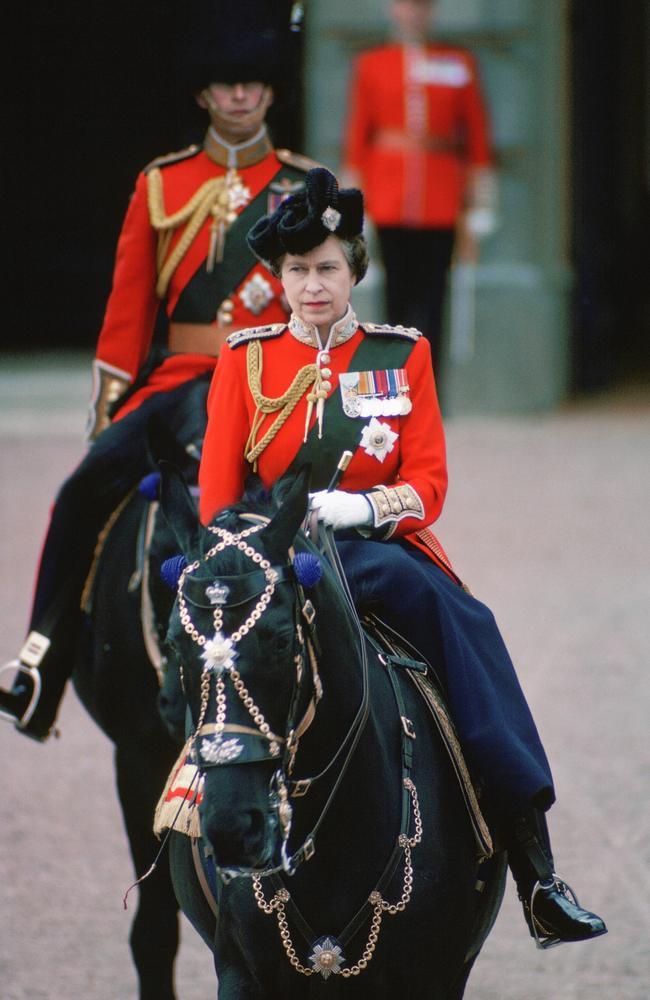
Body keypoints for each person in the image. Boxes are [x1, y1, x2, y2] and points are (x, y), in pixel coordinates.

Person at [197, 166, 607, 949]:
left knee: (468, 625)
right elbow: (220, 500)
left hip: (377, 555)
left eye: (326, 269)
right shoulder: (244, 363)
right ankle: (186, 820)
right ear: (277, 278)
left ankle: (532, 861)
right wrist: (260, 546)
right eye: (296, 271)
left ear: (355, 270)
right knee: (209, 655)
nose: (311, 287)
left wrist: (363, 507)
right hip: (277, 563)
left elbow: (427, 484)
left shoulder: (400, 354)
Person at [0, 2, 319, 742]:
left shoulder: (305, 188)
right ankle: (42, 662)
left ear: (271, 92)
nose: (241, 96)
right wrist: (111, 403)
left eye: (253, 84)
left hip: (276, 382)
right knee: (82, 492)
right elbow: (127, 310)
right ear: (203, 95)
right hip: (179, 381)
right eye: (226, 85)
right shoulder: (161, 185)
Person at [342, 0, 497, 372]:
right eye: (407, 6)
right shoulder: (372, 64)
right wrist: (352, 201)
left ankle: (431, 390)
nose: (414, 14)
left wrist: (480, 202)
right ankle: (396, 382)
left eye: (421, 7)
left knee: (435, 303)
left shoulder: (457, 62)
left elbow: (476, 135)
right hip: (389, 195)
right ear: (393, 9)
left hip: (441, 197)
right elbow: (358, 135)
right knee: (395, 299)